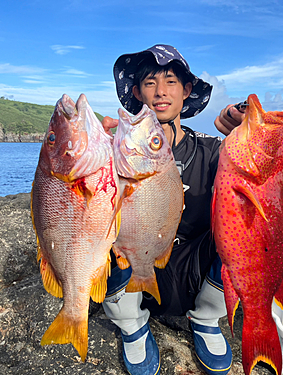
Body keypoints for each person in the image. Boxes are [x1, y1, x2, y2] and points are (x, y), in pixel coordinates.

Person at [101, 44, 245, 375]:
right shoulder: (118, 151)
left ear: (187, 90)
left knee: (244, 240)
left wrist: (243, 139)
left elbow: (254, 192)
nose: (160, 92)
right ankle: (132, 325)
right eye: (150, 83)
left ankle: (207, 318)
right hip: (136, 272)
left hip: (198, 273)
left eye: (170, 81)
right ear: (137, 92)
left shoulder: (211, 151)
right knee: (100, 238)